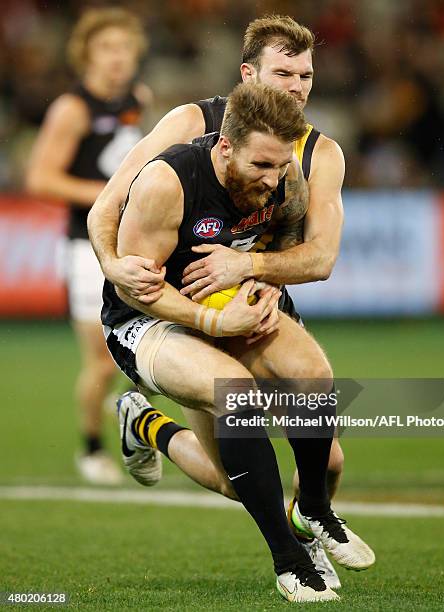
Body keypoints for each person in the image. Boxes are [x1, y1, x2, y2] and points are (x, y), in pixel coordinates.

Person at [88, 15, 349, 584]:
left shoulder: (316, 155)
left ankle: (311, 518)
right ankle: (289, 554)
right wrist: (114, 268)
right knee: (242, 448)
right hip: (169, 308)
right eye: (284, 72)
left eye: (306, 74)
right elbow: (109, 204)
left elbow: (318, 257)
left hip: (242, 296)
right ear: (248, 74)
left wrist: (253, 271)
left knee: (325, 459)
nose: (298, 87)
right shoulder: (190, 125)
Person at [26, 8, 151, 484]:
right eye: (107, 48)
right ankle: (92, 450)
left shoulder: (138, 98)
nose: (118, 58)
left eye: (125, 48)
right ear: (86, 55)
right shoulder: (72, 109)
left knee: (161, 346)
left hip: (131, 242)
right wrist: (109, 196)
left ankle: (130, 416)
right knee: (99, 362)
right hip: (86, 247)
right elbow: (40, 177)